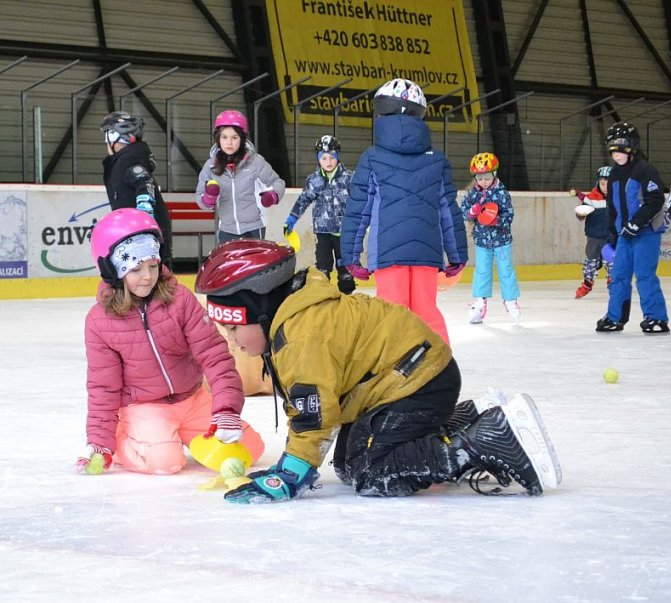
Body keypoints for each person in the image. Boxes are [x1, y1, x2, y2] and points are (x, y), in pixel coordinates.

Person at [195, 239, 561, 504]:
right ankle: (465, 420)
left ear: (261, 313)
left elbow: (315, 417)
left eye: (233, 328)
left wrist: (288, 476)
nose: (233, 341)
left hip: (418, 382)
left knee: (369, 471)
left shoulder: (300, 338)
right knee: (347, 464)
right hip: (407, 377)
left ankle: (480, 442)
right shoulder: (295, 315)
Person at [77, 208, 262, 476]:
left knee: (250, 450)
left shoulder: (179, 299)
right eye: (136, 268)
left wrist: (226, 410)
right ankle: (123, 440)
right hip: (144, 405)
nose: (148, 276)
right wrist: (99, 442)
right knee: (165, 462)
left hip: (192, 398)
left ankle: (173, 433)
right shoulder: (100, 321)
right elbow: (103, 386)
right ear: (112, 270)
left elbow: (214, 355)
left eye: (153, 265)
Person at [340, 78, 467, 346]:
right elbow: (448, 211)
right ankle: (440, 372)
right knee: (426, 313)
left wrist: (351, 256)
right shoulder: (437, 160)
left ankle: (390, 375)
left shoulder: (372, 158)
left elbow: (357, 211)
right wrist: (457, 256)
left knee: (390, 316)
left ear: (381, 115)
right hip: (426, 253)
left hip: (387, 252)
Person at [596, 122, 669, 334]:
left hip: (645, 233)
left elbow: (655, 199)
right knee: (618, 276)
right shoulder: (615, 176)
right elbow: (612, 208)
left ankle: (656, 318)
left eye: (620, 147)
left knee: (645, 275)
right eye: (612, 148)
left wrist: (637, 222)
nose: (615, 153)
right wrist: (612, 234)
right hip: (624, 235)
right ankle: (615, 317)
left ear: (631, 146)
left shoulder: (644, 170)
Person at [195, 110, 285, 244]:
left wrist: (272, 196)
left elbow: (278, 182)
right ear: (218, 139)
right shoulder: (210, 166)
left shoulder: (256, 162)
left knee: (255, 265)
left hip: (254, 228)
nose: (229, 142)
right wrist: (209, 198)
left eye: (234, 137)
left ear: (242, 138)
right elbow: (200, 198)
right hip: (226, 230)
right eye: (224, 137)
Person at [284, 135, 355, 294]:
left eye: (332, 157)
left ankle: (348, 298)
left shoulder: (349, 178)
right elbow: (303, 200)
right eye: (324, 158)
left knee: (345, 269)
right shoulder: (314, 180)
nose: (328, 162)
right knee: (323, 267)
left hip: (344, 233)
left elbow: (359, 201)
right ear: (318, 159)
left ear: (338, 157)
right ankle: (323, 297)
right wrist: (292, 219)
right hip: (322, 232)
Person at [100, 111, 172, 267]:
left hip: (142, 236)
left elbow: (144, 180)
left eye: (107, 135)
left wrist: (144, 215)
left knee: (151, 281)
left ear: (115, 137)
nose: (105, 142)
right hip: (138, 235)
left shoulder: (127, 160)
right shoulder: (126, 159)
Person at [460, 152, 521, 324]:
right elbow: (464, 210)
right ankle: (480, 303)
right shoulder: (474, 193)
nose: (483, 182)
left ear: (494, 174)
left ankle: (510, 300)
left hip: (501, 240)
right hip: (482, 241)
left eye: (487, 178)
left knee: (505, 269)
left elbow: (509, 215)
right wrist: (471, 212)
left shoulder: (502, 194)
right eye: (479, 178)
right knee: (482, 270)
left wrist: (497, 220)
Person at [571, 166, 613, 298]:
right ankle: (587, 284)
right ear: (598, 183)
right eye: (602, 183)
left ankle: (614, 284)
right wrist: (580, 214)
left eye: (608, 183)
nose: (605, 187)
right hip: (594, 237)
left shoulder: (617, 198)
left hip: (610, 237)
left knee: (611, 261)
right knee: (591, 262)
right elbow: (581, 214)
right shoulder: (590, 198)